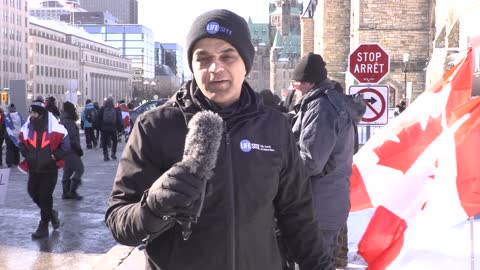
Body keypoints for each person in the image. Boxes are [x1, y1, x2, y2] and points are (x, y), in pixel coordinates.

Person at [105, 9, 333, 270]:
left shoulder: (275, 127)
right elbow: (118, 221)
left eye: (228, 56)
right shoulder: (155, 126)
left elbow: (299, 217)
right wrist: (154, 206)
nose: (216, 68)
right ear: (192, 66)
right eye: (203, 59)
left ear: (245, 64)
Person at [289, 53, 366, 265]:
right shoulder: (323, 104)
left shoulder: (322, 108)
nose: (294, 89)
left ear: (308, 82)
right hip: (324, 205)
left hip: (319, 209)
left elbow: (311, 161)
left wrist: (282, 161)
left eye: (296, 84)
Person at [18, 97, 70, 239]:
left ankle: (43, 226)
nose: (32, 115)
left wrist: (55, 156)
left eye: (34, 113)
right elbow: (21, 141)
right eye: (31, 113)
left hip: (49, 169)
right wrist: (26, 154)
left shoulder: (54, 127)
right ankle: (51, 213)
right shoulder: (29, 126)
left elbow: (66, 145)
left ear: (41, 113)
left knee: (45, 196)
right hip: (34, 168)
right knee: (32, 192)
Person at [331, 80, 366, 269]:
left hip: (333, 175)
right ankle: (340, 257)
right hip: (344, 173)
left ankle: (338, 258)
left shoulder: (337, 115)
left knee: (335, 219)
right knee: (340, 218)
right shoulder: (349, 117)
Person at [60, 101, 84, 200]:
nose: (75, 111)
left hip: (65, 150)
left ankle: (66, 192)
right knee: (79, 168)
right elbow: (72, 138)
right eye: (73, 109)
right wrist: (78, 149)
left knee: (68, 170)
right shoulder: (68, 122)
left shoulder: (64, 120)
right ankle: (72, 191)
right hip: (71, 150)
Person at [4, 104, 25, 168]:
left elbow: (3, 125)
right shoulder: (19, 116)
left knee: (9, 149)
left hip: (9, 134)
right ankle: (16, 161)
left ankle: (9, 162)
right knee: (16, 149)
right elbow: (23, 124)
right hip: (18, 135)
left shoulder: (6, 116)